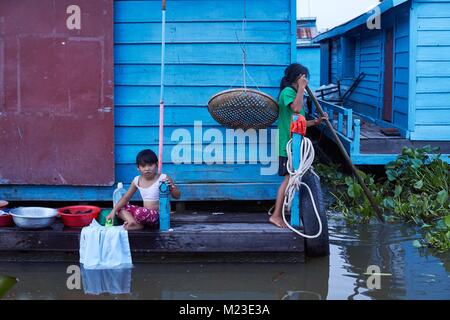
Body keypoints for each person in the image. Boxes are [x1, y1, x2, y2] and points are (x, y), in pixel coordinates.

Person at [270, 63, 328, 228]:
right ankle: (275, 216)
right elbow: (295, 109)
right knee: (289, 179)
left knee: (292, 179)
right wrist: (302, 88)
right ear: (297, 77)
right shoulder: (288, 93)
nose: (306, 80)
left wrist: (316, 122)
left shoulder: (296, 94)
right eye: (304, 77)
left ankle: (283, 213)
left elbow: (298, 123)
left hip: (296, 144)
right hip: (287, 145)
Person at [106, 149, 181, 230]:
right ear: (138, 167)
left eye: (150, 165)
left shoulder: (163, 178)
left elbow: (177, 196)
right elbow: (126, 198)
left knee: (140, 212)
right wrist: (113, 212)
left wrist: (171, 188)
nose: (147, 168)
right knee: (119, 207)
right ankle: (132, 222)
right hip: (144, 214)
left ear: (156, 164)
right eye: (143, 166)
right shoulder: (137, 180)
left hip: (158, 217)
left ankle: (139, 224)